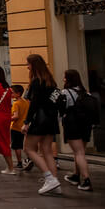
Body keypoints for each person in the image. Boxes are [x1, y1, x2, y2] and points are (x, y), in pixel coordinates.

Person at [22, 53, 63, 195]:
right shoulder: (51, 81)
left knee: (28, 149)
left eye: (28, 64)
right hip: (51, 119)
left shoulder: (36, 82)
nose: (27, 67)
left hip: (39, 119)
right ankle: (55, 182)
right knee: (47, 151)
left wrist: (27, 122)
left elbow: (34, 104)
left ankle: (49, 178)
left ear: (34, 65)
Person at [59, 69, 94, 192]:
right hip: (86, 124)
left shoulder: (65, 93)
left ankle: (86, 179)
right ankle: (76, 175)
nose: (63, 79)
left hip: (72, 124)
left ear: (68, 79)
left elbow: (61, 110)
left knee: (79, 153)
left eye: (64, 77)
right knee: (80, 151)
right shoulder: (85, 92)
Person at [9, 84, 30, 170]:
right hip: (24, 126)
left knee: (16, 146)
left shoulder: (16, 104)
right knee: (24, 144)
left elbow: (16, 116)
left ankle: (19, 162)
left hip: (16, 127)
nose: (10, 94)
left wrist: (7, 119)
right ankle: (28, 160)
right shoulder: (25, 102)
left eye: (12, 93)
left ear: (18, 93)